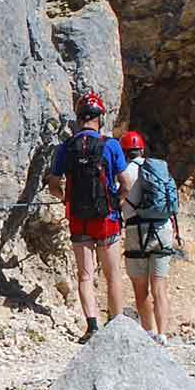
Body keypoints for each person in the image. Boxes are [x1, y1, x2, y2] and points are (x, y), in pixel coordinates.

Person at [45, 92, 132, 342]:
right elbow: (126, 184)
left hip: (78, 219)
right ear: (99, 118)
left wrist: (65, 198)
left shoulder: (65, 148)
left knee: (85, 275)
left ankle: (92, 326)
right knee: (112, 275)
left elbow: (53, 185)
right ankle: (116, 325)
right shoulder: (111, 145)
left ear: (79, 118)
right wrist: (117, 201)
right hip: (107, 219)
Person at [118, 131, 178, 343]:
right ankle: (162, 334)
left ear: (124, 152)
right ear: (142, 149)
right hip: (163, 229)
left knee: (141, 289)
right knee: (160, 287)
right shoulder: (159, 169)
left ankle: (148, 333)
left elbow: (119, 200)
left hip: (137, 232)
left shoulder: (124, 172)